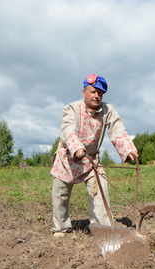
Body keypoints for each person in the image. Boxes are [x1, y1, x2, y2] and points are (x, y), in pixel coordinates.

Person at [50, 73, 138, 237]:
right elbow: (68, 130)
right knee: (60, 194)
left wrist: (129, 149)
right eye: (93, 91)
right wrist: (76, 148)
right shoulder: (72, 109)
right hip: (68, 158)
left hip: (91, 160)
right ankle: (61, 227)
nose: (97, 95)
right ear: (84, 93)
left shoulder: (107, 110)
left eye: (100, 92)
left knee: (100, 193)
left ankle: (103, 230)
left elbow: (117, 130)